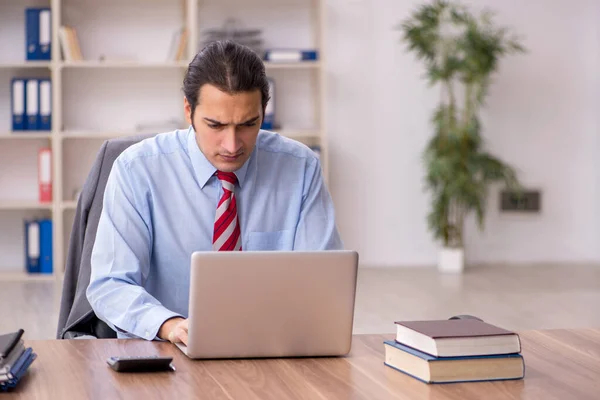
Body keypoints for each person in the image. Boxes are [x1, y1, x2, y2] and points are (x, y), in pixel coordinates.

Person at [86, 40, 343, 346]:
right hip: (167, 350)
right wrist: (169, 325)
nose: (232, 145)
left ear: (263, 112)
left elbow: (322, 282)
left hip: (271, 346)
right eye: (215, 125)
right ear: (188, 110)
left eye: (249, 124)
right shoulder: (137, 170)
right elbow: (111, 284)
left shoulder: (300, 168)